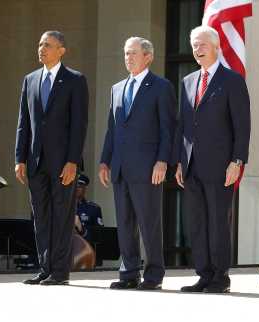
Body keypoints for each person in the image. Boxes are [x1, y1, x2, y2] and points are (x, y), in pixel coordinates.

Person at [174, 25, 251, 293]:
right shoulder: (187, 81)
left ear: (217, 47)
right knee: (197, 223)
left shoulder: (232, 80)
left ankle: (220, 277)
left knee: (218, 222)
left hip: (221, 166)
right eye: (194, 44)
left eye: (202, 44)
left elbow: (242, 125)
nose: (197, 49)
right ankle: (204, 275)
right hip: (191, 165)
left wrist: (237, 161)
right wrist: (179, 162)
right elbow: (182, 126)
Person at [99, 37, 176, 291]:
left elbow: (168, 129)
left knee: (149, 223)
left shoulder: (161, 87)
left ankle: (153, 275)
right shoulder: (117, 88)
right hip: (120, 167)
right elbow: (112, 130)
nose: (128, 57)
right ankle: (128, 273)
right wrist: (104, 161)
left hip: (148, 168)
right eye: (125, 53)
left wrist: (162, 161)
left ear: (148, 57)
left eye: (133, 53)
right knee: (125, 224)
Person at [15, 30, 88, 286]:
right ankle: (45, 269)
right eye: (39, 44)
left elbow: (79, 125)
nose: (41, 48)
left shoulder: (75, 80)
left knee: (62, 216)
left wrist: (73, 161)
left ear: (61, 50)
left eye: (47, 44)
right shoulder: (30, 80)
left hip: (63, 164)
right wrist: (19, 158)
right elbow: (24, 123)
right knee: (41, 217)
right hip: (35, 162)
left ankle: (60, 272)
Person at [74, 174, 103, 242]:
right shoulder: (63, 208)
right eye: (73, 186)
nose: (76, 189)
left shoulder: (94, 208)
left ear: (85, 188)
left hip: (86, 248)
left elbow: (99, 235)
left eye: (79, 186)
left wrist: (81, 229)